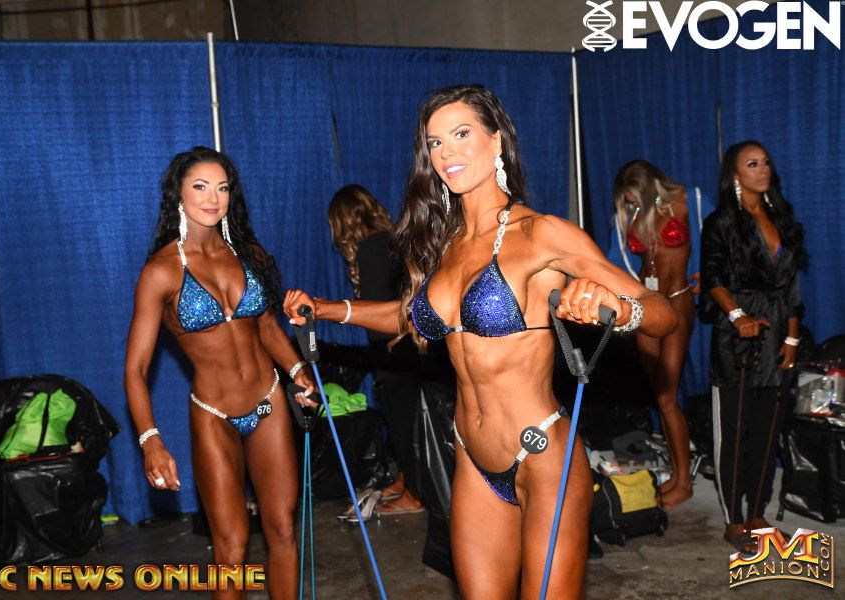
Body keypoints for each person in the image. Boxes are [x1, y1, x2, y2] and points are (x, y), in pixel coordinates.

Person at [285, 85, 676, 599]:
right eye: (435, 142)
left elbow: (662, 314)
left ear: (497, 142)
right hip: (472, 457)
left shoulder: (540, 234)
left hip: (542, 456)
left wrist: (622, 310)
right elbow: (413, 317)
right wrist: (330, 308)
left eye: (461, 134)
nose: (447, 152)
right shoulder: (443, 244)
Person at [124, 147, 316, 599]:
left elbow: (266, 327)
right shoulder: (160, 272)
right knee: (230, 549)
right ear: (179, 194)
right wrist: (150, 440)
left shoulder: (250, 254)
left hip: (269, 402)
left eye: (222, 188)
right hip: (214, 414)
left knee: (283, 530)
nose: (213, 198)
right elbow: (136, 368)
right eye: (200, 186)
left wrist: (297, 371)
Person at [701, 141, 806, 551]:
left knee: (767, 431)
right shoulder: (721, 222)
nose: (763, 169)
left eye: (766, 162)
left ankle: (758, 515)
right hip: (737, 340)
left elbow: (791, 287)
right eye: (752, 164)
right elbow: (712, 276)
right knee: (733, 433)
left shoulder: (781, 218)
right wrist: (736, 315)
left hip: (777, 332)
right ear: (735, 174)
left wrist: (793, 337)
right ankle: (733, 521)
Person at [611, 161, 713, 508]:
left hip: (679, 301)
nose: (631, 205)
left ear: (650, 186)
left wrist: (708, 271)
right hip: (646, 305)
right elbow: (615, 260)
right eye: (627, 201)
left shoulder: (688, 199)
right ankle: (677, 474)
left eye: (634, 198)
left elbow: (718, 236)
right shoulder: (631, 214)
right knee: (661, 396)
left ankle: (684, 482)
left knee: (667, 397)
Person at [327, 184, 425, 515]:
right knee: (404, 423)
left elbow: (378, 314)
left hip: (394, 353)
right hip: (410, 350)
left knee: (402, 423)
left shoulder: (370, 248)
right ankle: (405, 479)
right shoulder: (392, 241)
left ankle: (415, 493)